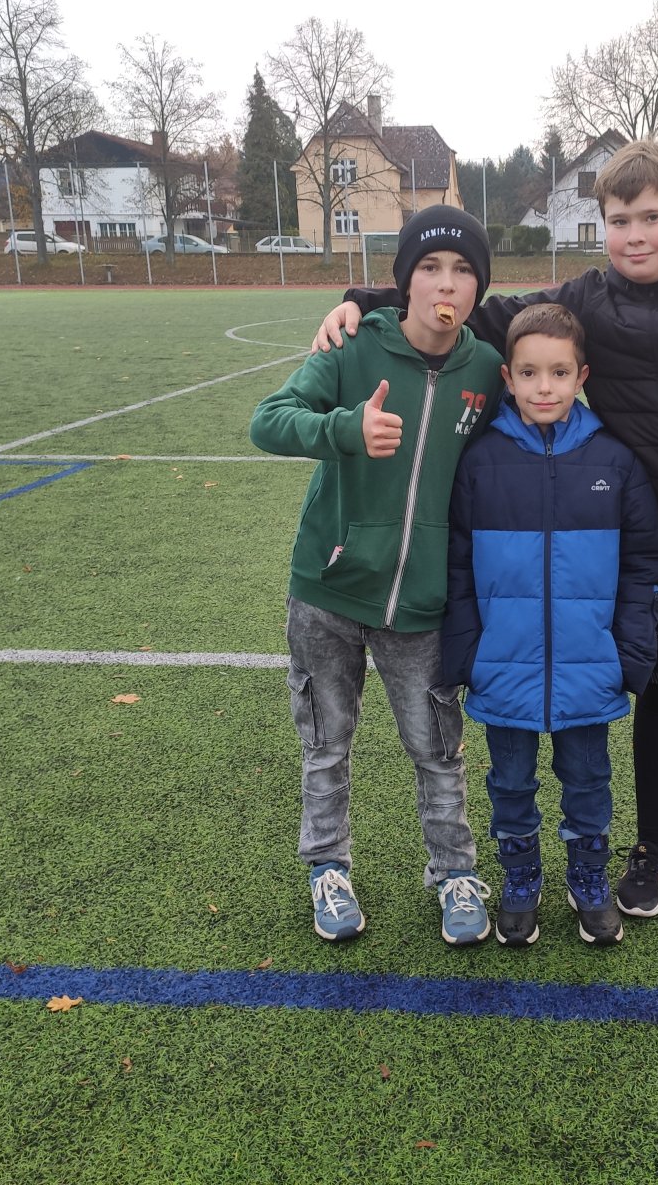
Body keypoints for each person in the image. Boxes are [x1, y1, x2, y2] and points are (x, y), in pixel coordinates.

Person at [313, 142, 658, 928]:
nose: (635, 235)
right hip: (657, 546)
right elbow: (482, 314)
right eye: (619, 220)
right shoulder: (589, 298)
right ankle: (649, 850)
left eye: (651, 217)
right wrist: (368, 299)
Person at [251, 205, 504, 946]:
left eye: (462, 271)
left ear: (478, 288)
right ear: (404, 282)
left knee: (437, 749)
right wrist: (345, 429)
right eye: (429, 267)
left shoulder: (486, 370)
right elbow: (269, 420)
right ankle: (327, 867)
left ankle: (454, 872)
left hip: (421, 602)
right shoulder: (354, 346)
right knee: (326, 743)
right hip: (327, 590)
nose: (445, 284)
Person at [442, 303, 658, 947]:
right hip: (502, 666)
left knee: (589, 780)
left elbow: (644, 564)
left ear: (581, 376)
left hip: (589, 667)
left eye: (560, 373)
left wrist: (627, 653)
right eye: (529, 373)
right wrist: (470, 652)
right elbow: (456, 564)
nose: (545, 387)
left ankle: (588, 879)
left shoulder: (615, 461)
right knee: (509, 782)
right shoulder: (479, 461)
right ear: (507, 378)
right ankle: (521, 880)